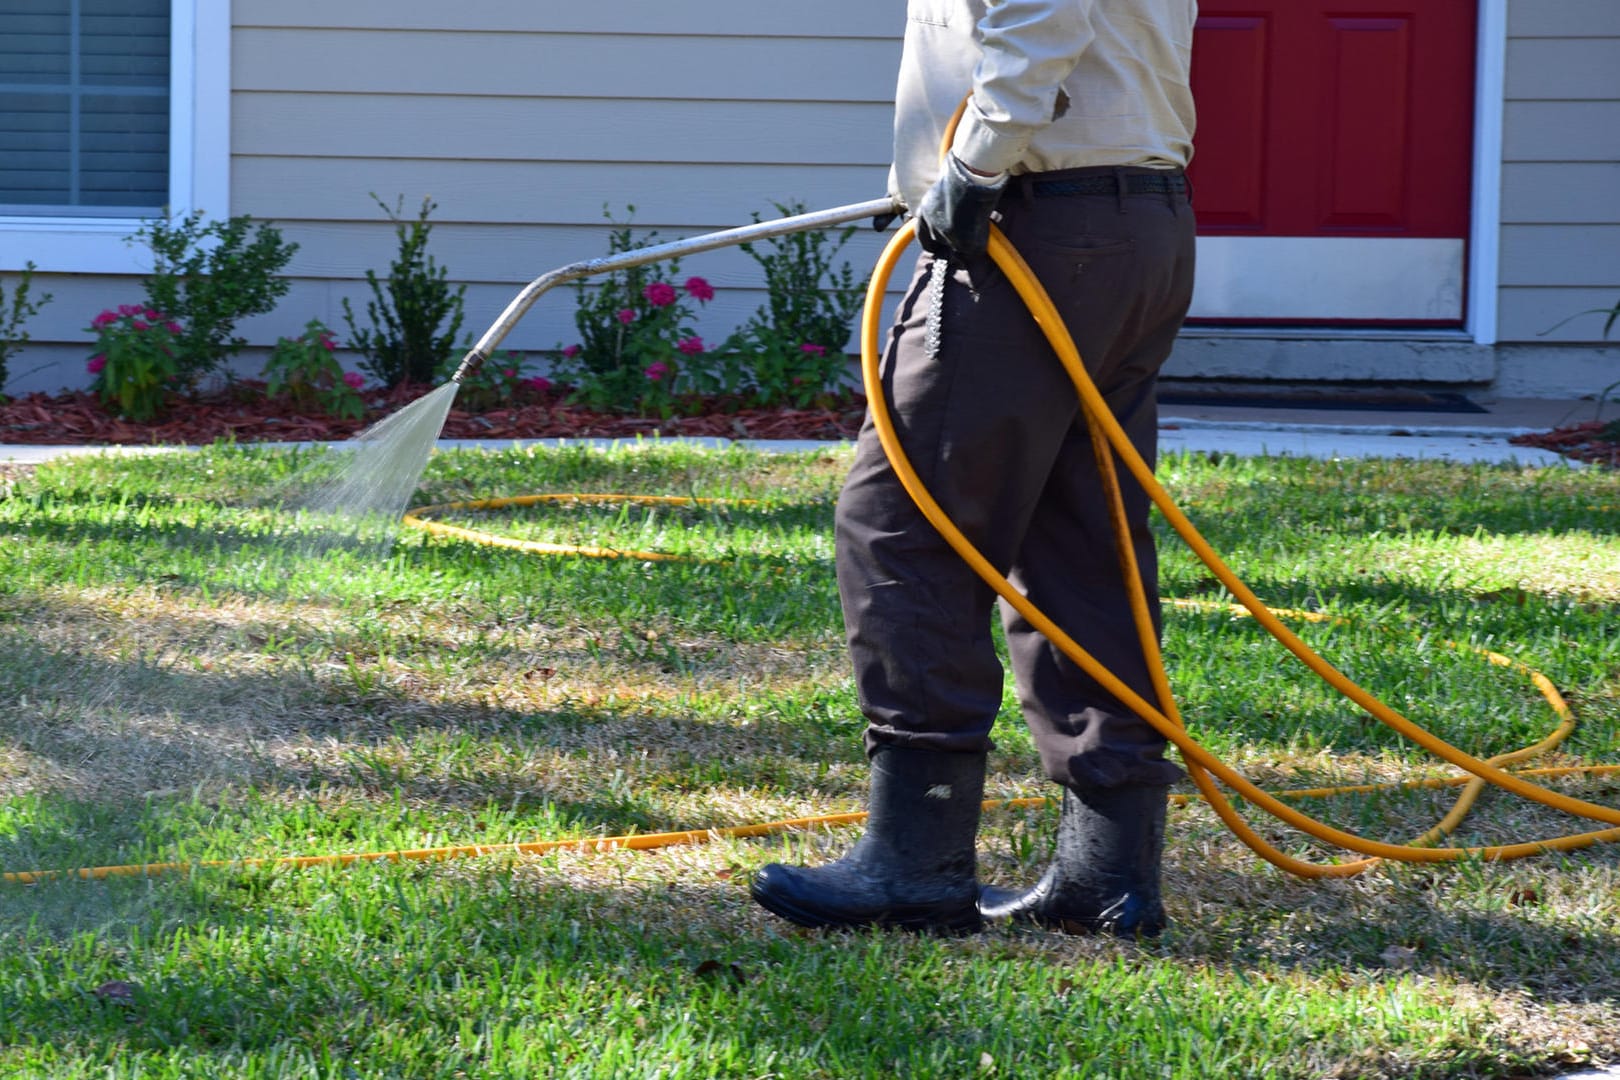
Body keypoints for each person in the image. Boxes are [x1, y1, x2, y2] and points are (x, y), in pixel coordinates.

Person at [750, 0, 1198, 937]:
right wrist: (928, 175)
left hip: (1037, 228)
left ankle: (916, 861)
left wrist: (972, 167)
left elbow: (1041, 23)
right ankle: (1107, 875)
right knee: (1082, 539)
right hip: (1135, 222)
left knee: (903, 526)